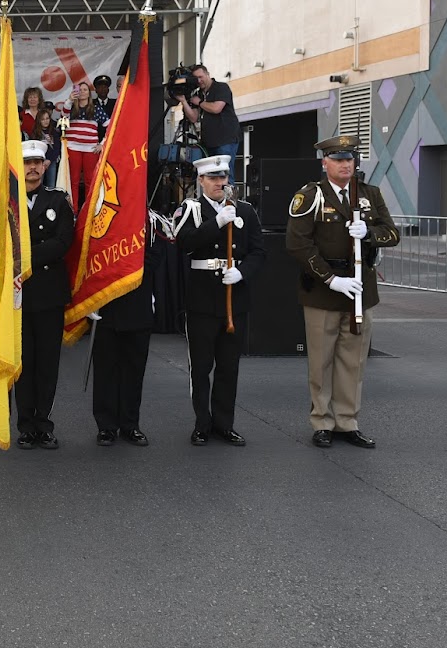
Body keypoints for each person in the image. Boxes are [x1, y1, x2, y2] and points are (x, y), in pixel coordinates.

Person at [286, 135, 400, 449]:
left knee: (354, 360)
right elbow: (297, 244)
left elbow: (392, 234)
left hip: (360, 292)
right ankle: (322, 421)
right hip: (324, 291)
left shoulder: (369, 194)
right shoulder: (310, 196)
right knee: (321, 360)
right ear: (325, 163)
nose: (345, 164)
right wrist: (331, 279)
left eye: (350, 158)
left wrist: (371, 232)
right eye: (338, 159)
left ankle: (347, 421)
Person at [175, 155, 265, 447]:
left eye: (223, 177)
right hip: (202, 299)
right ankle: (202, 424)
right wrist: (216, 223)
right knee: (201, 367)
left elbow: (258, 252)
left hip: (234, 298)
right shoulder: (191, 209)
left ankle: (224, 424)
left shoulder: (246, 211)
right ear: (201, 180)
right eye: (213, 178)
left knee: (229, 367)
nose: (220, 183)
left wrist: (242, 273)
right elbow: (185, 243)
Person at [14, 140, 75, 449]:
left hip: (49, 293)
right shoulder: (5, 202)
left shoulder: (58, 201)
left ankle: (45, 424)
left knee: (48, 362)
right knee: (23, 363)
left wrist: (24, 256)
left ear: (46, 165)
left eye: (38, 162)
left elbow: (63, 242)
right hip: (17, 294)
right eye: (27, 162)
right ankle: (25, 425)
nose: (33, 167)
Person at [92, 224, 162, 447]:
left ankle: (131, 425)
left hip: (137, 302)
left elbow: (155, 257)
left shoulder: (150, 222)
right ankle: (106, 427)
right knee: (105, 370)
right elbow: (90, 253)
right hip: (107, 302)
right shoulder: (102, 216)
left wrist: (123, 261)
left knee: (134, 369)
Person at [183, 65, 241, 182]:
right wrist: (183, 101)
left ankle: (229, 200)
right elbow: (193, 117)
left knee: (226, 175)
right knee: (212, 177)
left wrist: (199, 102)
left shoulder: (221, 87)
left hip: (225, 140)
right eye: (196, 79)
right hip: (208, 143)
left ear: (207, 74)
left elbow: (216, 108)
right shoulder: (198, 94)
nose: (199, 81)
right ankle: (215, 200)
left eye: (201, 77)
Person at [64, 81, 110, 205]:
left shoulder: (96, 108)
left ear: (89, 93)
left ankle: (89, 211)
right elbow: (63, 117)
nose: (82, 92)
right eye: (80, 89)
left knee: (90, 181)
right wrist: (69, 100)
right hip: (73, 148)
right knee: (73, 181)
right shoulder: (71, 107)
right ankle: (72, 210)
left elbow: (111, 126)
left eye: (85, 90)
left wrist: (103, 144)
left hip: (91, 149)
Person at [30, 108, 60, 187]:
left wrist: (49, 160)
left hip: (51, 161)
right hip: (39, 161)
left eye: (47, 118)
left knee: (51, 184)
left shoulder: (54, 132)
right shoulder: (35, 133)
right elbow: (34, 148)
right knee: (38, 183)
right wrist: (42, 160)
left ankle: (51, 199)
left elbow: (57, 148)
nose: (45, 121)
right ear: (38, 120)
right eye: (43, 119)